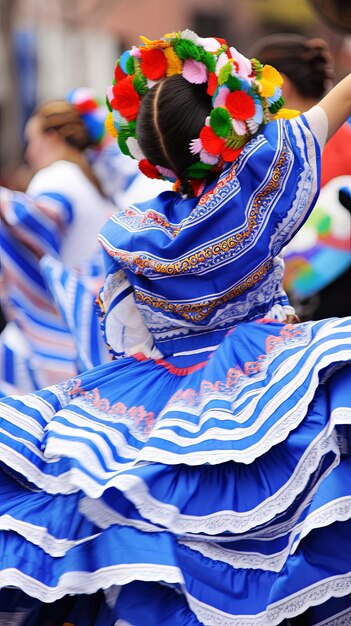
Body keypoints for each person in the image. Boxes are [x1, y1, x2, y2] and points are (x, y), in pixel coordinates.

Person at [0, 29, 350, 626]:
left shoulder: (134, 230)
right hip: (265, 373)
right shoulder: (251, 190)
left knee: (160, 540)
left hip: (157, 393)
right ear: (226, 130)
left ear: (151, 153)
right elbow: (331, 107)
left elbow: (127, 336)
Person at [0, 89, 113, 394]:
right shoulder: (85, 178)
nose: (27, 153)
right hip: (92, 321)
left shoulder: (57, 175)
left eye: (31, 141)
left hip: (63, 323)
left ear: (52, 137)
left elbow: (38, 220)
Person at [250, 34, 351, 320]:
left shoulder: (286, 150)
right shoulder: (345, 137)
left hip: (314, 301)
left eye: (253, 86)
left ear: (281, 83)